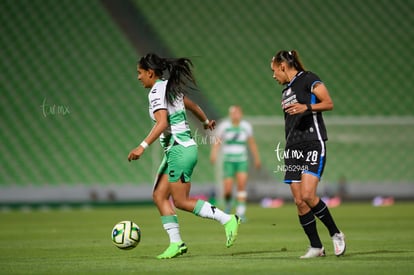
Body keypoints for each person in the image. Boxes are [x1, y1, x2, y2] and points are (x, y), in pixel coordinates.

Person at [128, 53, 240, 259]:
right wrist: (205, 122)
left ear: (150, 73)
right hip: (177, 150)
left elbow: (161, 123)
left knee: (180, 201)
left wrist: (141, 147)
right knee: (159, 196)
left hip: (180, 150)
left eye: (140, 73)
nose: (138, 77)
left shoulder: (155, 92)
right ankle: (176, 243)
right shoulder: (169, 88)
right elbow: (193, 105)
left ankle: (228, 219)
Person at [270, 50, 346, 258]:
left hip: (312, 143)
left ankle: (336, 233)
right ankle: (316, 247)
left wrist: (307, 107)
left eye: (274, 70)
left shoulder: (309, 79)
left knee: (308, 195)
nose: (273, 75)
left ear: (283, 66)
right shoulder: (285, 91)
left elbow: (329, 103)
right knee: (299, 201)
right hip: (292, 148)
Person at [210, 105, 261, 221]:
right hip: (228, 161)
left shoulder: (246, 127)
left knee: (241, 186)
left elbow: (252, 143)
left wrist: (257, 158)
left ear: (241, 114)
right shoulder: (224, 126)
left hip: (241, 160)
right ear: (230, 114)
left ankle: (241, 213)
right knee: (227, 190)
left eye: (237, 113)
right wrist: (214, 154)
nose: (235, 115)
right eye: (233, 113)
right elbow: (218, 141)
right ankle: (228, 205)